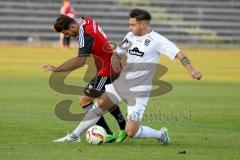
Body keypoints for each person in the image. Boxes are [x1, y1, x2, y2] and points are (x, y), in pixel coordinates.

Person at [53, 8, 202, 144]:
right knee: (99, 106)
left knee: (132, 132)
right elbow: (118, 52)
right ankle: (74, 136)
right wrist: (116, 58)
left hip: (139, 90)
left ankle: (160, 135)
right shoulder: (130, 36)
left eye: (132, 24)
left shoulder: (158, 40)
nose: (129, 27)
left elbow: (179, 55)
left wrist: (192, 70)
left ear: (143, 25)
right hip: (122, 83)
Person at [42, 14, 128, 143]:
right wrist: (57, 27)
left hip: (107, 70)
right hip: (110, 65)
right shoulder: (85, 20)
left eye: (67, 32)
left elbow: (80, 61)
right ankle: (123, 129)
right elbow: (70, 19)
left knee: (85, 100)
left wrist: (57, 69)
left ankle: (109, 133)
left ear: (72, 26)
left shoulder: (85, 36)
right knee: (106, 101)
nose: (68, 36)